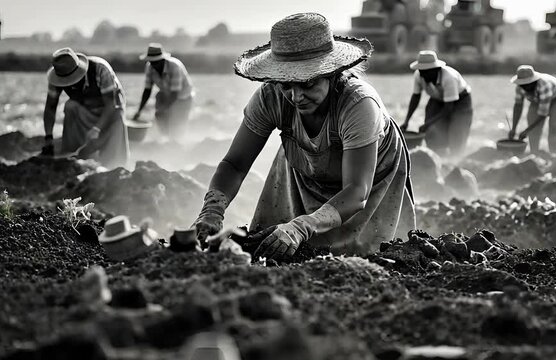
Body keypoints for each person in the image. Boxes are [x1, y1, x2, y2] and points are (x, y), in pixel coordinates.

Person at [193, 13, 415, 259]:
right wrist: (212, 210)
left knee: (364, 256)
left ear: (332, 73)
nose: (296, 96)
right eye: (286, 84)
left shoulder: (358, 104)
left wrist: (302, 226)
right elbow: (235, 164)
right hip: (306, 166)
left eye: (308, 84)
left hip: (369, 179)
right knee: (274, 247)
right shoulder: (271, 97)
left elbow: (356, 191)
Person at [41, 48, 129, 167]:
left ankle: (111, 163)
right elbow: (50, 108)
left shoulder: (101, 70)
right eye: (65, 81)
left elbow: (111, 105)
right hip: (86, 108)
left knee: (116, 125)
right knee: (70, 106)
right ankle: (74, 155)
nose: (69, 84)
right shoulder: (57, 76)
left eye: (72, 80)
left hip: (111, 109)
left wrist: (96, 129)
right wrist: (48, 139)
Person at [400, 50, 473, 157]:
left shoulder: (449, 78)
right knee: (432, 132)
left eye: (425, 71)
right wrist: (407, 121)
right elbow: (416, 97)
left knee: (457, 133)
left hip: (460, 102)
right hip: (437, 99)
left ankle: (455, 160)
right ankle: (436, 158)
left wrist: (428, 123)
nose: (422, 75)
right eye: (421, 71)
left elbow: (448, 108)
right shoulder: (419, 75)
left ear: (435, 70)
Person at [133, 43, 195, 135]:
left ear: (162, 60)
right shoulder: (150, 67)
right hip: (166, 94)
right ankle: (165, 140)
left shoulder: (175, 67)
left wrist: (163, 109)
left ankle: (178, 142)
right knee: (160, 116)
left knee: (176, 124)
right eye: (151, 61)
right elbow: (147, 90)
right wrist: (139, 111)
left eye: (156, 62)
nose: (153, 64)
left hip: (183, 98)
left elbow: (175, 94)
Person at [509, 65, 556, 153]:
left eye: (528, 84)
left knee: (555, 125)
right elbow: (518, 106)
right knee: (532, 122)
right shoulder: (520, 87)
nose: (526, 88)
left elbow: (543, 114)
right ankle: (534, 153)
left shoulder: (544, 86)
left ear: (533, 81)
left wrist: (527, 131)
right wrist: (513, 129)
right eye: (523, 85)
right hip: (537, 99)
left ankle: (553, 154)